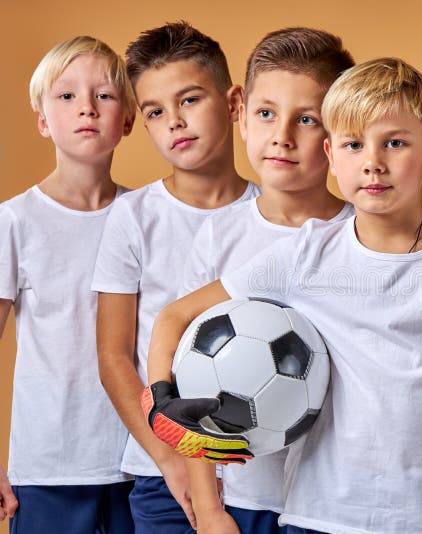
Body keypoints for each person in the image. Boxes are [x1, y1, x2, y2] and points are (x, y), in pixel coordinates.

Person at [143, 57, 422, 534]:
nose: (373, 162)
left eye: (395, 143)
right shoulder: (306, 254)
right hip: (318, 518)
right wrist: (160, 400)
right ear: (331, 153)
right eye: (353, 144)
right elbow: (174, 316)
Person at [179, 27, 355, 534]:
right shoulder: (218, 236)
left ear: (336, 131)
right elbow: (188, 372)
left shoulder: (364, 233)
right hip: (246, 497)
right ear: (240, 111)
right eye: (266, 113)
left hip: (333, 501)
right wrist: (210, 509)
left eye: (306, 119)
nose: (282, 135)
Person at [91, 22, 258, 533]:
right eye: (155, 112)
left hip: (261, 474)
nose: (175, 123)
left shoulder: (271, 213)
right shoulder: (134, 216)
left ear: (234, 103)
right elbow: (115, 355)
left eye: (189, 100)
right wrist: (168, 462)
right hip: (163, 473)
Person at [0, 36, 136, 533]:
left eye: (103, 95)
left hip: (138, 461)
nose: (86, 108)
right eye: (66, 96)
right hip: (48, 465)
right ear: (42, 121)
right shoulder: (14, 222)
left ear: (127, 119)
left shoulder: (147, 216)